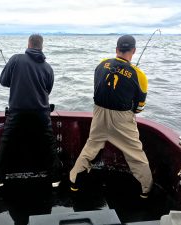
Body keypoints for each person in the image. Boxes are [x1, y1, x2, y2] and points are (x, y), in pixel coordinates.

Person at [69, 35, 153, 198]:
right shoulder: (139, 74)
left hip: (99, 113)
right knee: (135, 153)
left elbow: (97, 87)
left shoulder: (101, 65)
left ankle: (74, 181)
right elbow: (139, 107)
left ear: (116, 49)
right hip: (122, 118)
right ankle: (146, 190)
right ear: (134, 51)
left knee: (91, 146)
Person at [0, 34, 62, 188]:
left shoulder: (16, 59)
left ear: (28, 44)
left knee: (6, 141)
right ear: (41, 46)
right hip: (41, 112)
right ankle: (56, 178)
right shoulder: (48, 68)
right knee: (49, 142)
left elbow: (3, 81)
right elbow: (47, 90)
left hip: (18, 111)